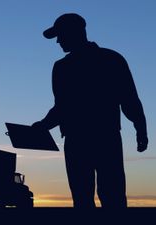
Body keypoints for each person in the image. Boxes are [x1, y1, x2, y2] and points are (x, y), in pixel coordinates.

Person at [32, 13, 148, 208]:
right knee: (86, 197)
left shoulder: (108, 60)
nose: (58, 41)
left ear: (76, 32)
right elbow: (63, 107)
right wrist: (43, 125)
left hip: (101, 137)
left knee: (109, 195)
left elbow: (128, 99)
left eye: (61, 35)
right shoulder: (64, 67)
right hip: (86, 138)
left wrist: (141, 128)